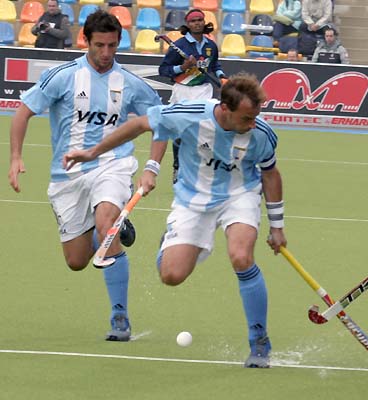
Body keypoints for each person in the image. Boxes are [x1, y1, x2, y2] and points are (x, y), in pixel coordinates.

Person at [62, 73, 288, 368]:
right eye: (246, 118)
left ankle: (259, 341)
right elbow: (140, 125)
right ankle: (170, 243)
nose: (253, 124)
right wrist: (93, 153)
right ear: (225, 109)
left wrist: (277, 226)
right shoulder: (190, 114)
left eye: (255, 116)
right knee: (171, 275)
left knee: (241, 256)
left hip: (239, 196)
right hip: (192, 199)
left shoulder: (262, 134)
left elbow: (270, 174)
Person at [8, 10, 163, 342]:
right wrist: (16, 157)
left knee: (106, 223)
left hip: (113, 166)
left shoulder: (131, 84)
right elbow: (23, 113)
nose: (106, 53)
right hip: (68, 176)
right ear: (85, 41)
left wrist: (152, 166)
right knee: (76, 260)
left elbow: (160, 124)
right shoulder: (62, 76)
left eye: (112, 46)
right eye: (99, 45)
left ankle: (120, 316)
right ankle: (110, 229)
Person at [158, 8, 228, 184]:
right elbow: (163, 70)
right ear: (188, 25)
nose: (197, 23)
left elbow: (214, 65)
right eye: (193, 21)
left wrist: (221, 77)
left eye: (199, 20)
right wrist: (183, 67)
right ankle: (177, 166)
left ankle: (202, 168)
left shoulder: (211, 45)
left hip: (204, 89)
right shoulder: (179, 45)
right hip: (183, 89)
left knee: (205, 130)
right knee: (181, 131)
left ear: (204, 22)